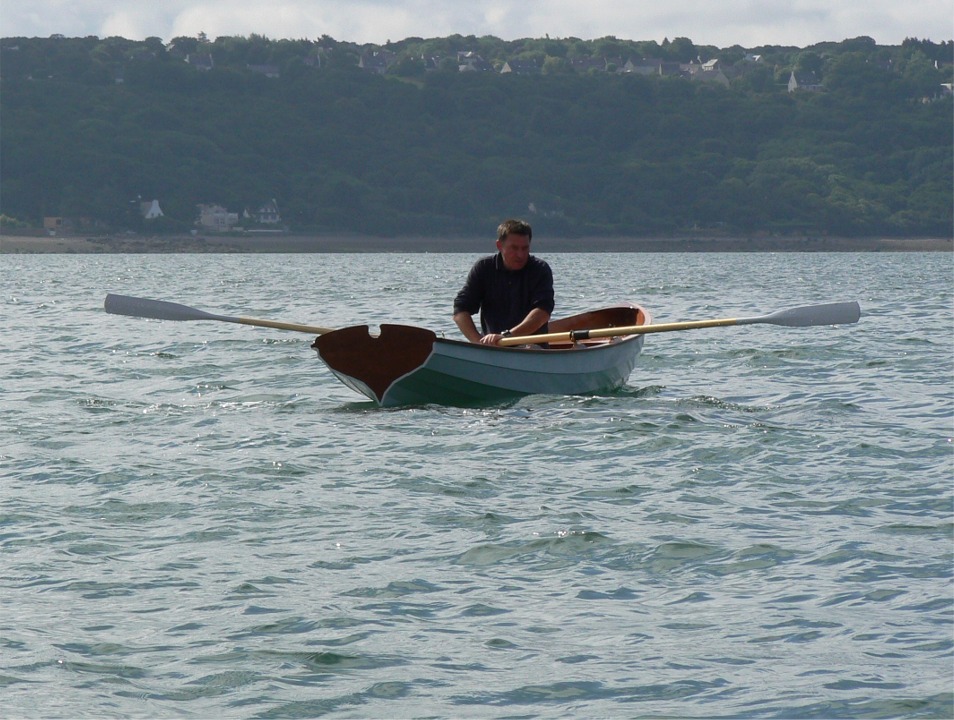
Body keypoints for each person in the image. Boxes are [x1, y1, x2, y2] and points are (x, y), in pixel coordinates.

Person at [453, 218, 554, 346]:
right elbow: (460, 310)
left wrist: (507, 336)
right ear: (499, 246)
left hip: (533, 350)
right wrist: (478, 342)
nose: (520, 255)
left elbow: (542, 313)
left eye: (525, 248)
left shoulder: (540, 269)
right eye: (514, 248)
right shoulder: (484, 268)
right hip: (495, 350)